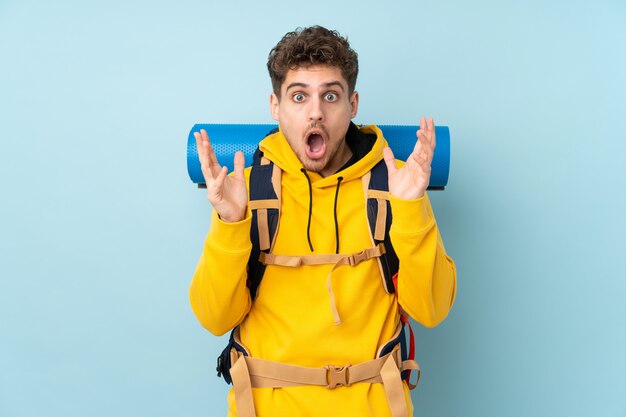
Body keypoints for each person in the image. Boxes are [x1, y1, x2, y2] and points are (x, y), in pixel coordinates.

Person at [189, 25, 456, 417]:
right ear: (275, 106)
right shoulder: (246, 190)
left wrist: (411, 208)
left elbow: (432, 310)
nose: (316, 111)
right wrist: (229, 223)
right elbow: (214, 318)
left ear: (353, 105)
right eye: (299, 96)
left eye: (330, 96)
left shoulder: (395, 185)